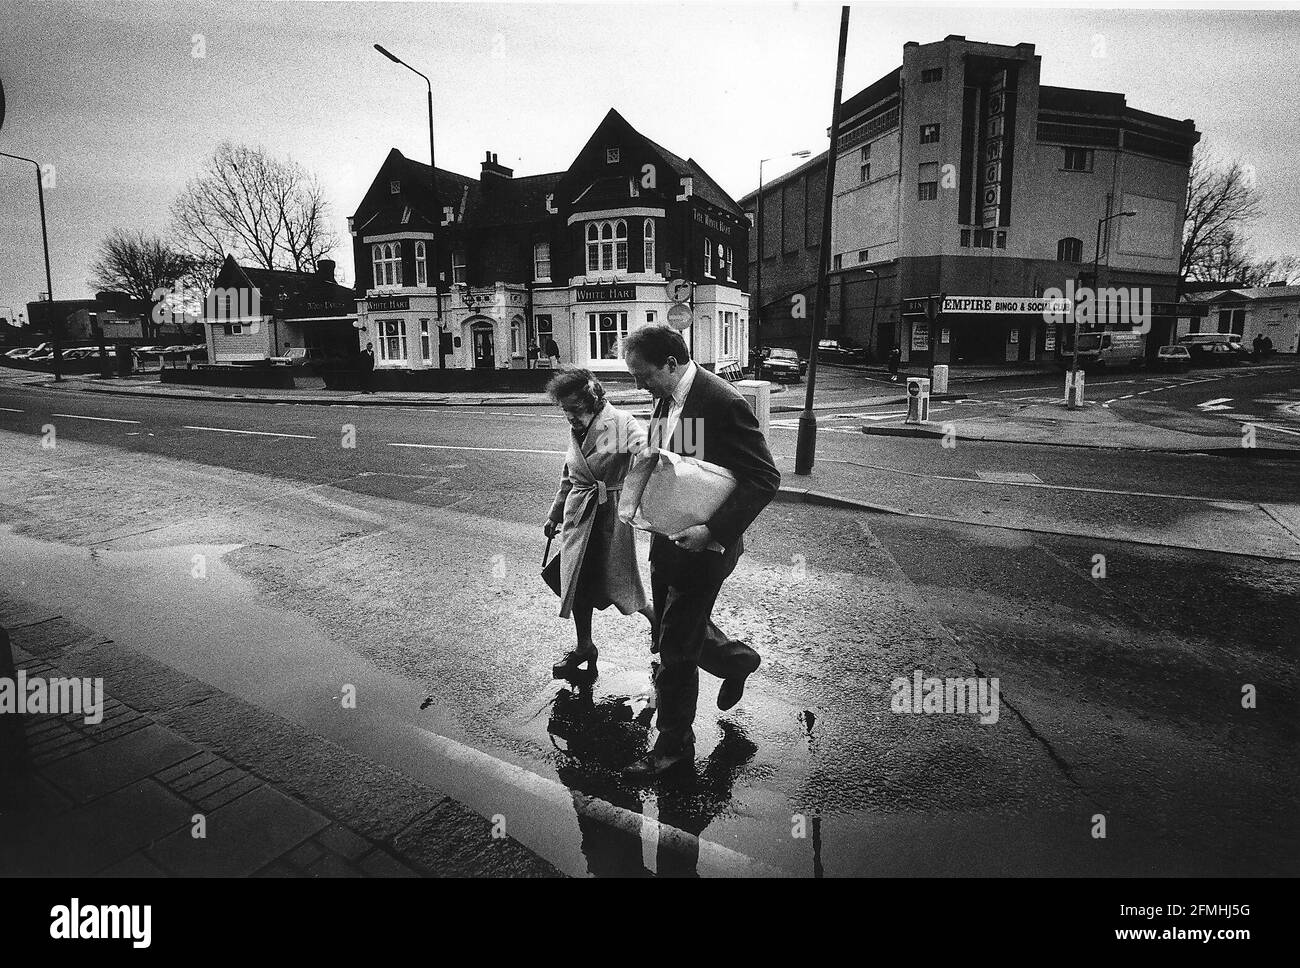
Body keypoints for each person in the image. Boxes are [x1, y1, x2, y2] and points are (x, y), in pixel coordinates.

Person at [621, 325, 781, 779]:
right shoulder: (671, 396)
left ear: (671, 364)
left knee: (675, 649)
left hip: (705, 548)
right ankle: (739, 660)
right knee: (677, 632)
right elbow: (688, 466)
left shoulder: (722, 401)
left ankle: (673, 749)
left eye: (642, 374)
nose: (638, 385)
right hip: (669, 541)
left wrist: (711, 528)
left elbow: (764, 478)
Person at [545, 366, 657, 678]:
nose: (569, 416)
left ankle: (656, 621)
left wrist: (630, 497)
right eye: (565, 409)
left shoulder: (620, 423)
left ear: (593, 400)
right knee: (576, 583)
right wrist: (554, 515)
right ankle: (584, 647)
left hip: (608, 514)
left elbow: (648, 453)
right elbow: (570, 474)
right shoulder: (577, 429)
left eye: (574, 409)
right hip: (578, 516)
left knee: (620, 582)